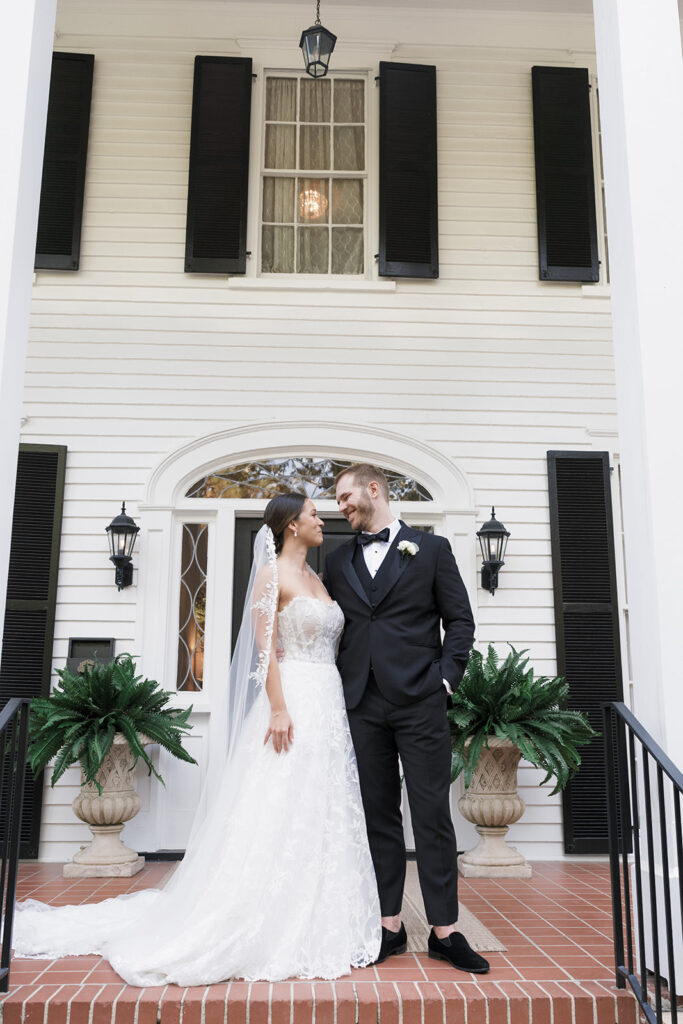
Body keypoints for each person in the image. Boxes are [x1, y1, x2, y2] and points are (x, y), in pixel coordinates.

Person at [9, 493, 381, 984]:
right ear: (292, 524)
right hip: (292, 700)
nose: (321, 519)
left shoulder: (318, 578)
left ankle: (322, 911)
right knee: (281, 802)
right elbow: (265, 651)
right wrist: (278, 707)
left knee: (323, 803)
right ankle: (259, 918)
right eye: (313, 513)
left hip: (328, 700)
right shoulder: (272, 578)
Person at [324, 463, 489, 974]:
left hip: (421, 701)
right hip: (362, 705)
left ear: (374, 490)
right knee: (378, 816)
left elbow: (460, 620)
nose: (341, 506)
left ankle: (445, 931)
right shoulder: (334, 560)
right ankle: (388, 925)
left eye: (347, 496)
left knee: (431, 814)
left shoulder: (432, 550)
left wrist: (445, 679)